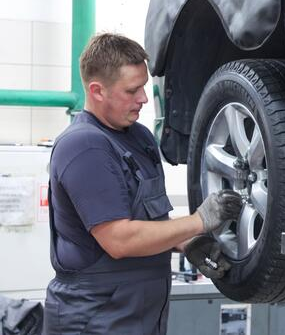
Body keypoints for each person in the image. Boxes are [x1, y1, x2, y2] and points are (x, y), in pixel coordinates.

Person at [42, 33, 242, 335]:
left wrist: (186, 243)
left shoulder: (140, 138)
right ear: (97, 91)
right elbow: (119, 240)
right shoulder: (84, 146)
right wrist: (198, 222)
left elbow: (149, 222)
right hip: (93, 319)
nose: (144, 99)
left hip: (142, 315)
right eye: (132, 90)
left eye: (144, 87)